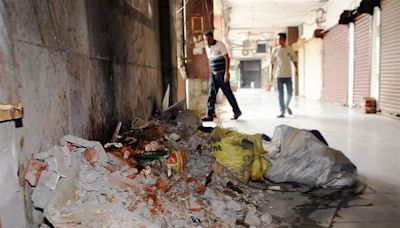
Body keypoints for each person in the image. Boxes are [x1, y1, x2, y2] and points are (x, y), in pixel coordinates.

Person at [201, 31, 242, 121]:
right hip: (213, 75)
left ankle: (237, 111)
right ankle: (209, 115)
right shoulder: (207, 48)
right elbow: (210, 61)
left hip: (222, 74)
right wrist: (211, 73)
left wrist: (227, 73)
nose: (207, 41)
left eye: (208, 39)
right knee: (211, 94)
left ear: (212, 38)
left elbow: (227, 58)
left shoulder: (220, 44)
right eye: (205, 39)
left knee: (228, 94)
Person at [271, 33, 298, 118]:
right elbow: (272, 62)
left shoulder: (289, 49)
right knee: (280, 94)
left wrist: (297, 69)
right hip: (278, 75)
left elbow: (294, 60)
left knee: (290, 92)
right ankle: (282, 111)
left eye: (280, 39)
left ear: (284, 40)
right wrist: (271, 73)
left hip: (288, 75)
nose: (278, 41)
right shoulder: (275, 50)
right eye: (277, 39)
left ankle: (286, 106)